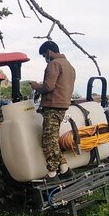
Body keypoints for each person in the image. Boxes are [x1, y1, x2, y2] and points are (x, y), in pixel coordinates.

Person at [29, 40, 76, 182]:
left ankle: (52, 173)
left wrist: (36, 86)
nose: (45, 59)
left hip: (52, 105)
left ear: (49, 52)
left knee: (48, 141)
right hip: (63, 106)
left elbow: (48, 86)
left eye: (44, 55)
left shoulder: (54, 64)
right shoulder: (69, 66)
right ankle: (64, 169)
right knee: (53, 139)